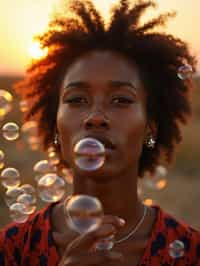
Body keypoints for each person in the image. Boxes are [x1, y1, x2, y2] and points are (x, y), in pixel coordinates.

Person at [0, 0, 200, 265]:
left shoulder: (192, 253)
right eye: (76, 99)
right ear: (55, 125)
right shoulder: (11, 249)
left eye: (121, 100)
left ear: (150, 127)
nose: (95, 117)